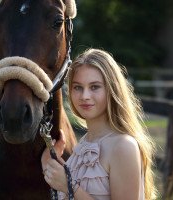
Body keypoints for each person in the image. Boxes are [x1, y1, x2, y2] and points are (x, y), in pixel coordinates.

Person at [41, 48, 157, 200]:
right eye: (78, 87)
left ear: (111, 89)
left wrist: (69, 185)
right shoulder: (84, 144)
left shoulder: (123, 146)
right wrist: (48, 166)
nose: (85, 96)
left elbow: (71, 189)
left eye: (94, 87)